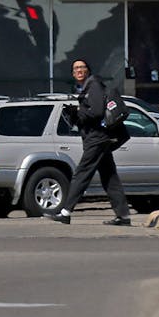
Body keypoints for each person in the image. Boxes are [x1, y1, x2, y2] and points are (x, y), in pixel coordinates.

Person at [45, 58, 132, 227]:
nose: (78, 70)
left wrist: (78, 113)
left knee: (81, 174)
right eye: (75, 68)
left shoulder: (94, 85)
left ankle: (65, 212)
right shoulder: (87, 87)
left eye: (81, 67)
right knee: (109, 177)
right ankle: (123, 216)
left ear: (87, 70)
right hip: (100, 137)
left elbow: (97, 111)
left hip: (97, 138)